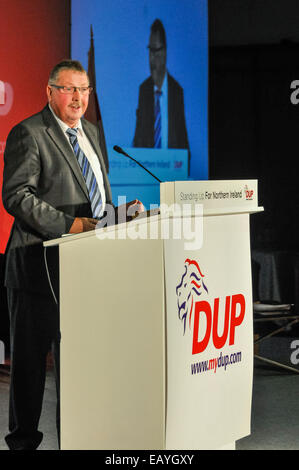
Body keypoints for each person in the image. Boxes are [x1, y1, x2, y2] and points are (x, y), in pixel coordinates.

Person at [2, 59, 143, 450]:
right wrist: (71, 226)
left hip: (86, 268)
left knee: (80, 364)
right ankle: (23, 444)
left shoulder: (94, 133)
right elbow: (17, 196)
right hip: (38, 266)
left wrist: (120, 218)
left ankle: (77, 440)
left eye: (84, 89)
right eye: (68, 89)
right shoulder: (29, 133)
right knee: (30, 367)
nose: (78, 97)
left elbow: (96, 199)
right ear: (50, 92)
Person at [133, 19, 189, 156]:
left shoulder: (176, 91)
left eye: (156, 51)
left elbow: (182, 140)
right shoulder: (144, 90)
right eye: (150, 51)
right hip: (149, 167)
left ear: (164, 52)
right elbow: (138, 139)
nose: (152, 58)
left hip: (172, 169)